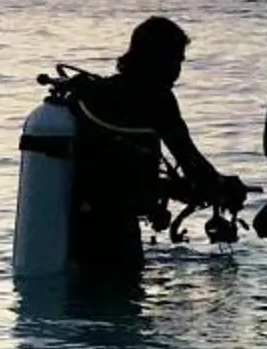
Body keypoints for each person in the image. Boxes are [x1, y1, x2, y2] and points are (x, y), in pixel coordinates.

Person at [63, 17, 247, 281]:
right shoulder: (156, 99)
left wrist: (182, 188)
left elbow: (117, 173)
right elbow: (190, 161)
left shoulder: (99, 94)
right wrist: (223, 186)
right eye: (175, 61)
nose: (177, 72)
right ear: (156, 60)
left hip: (76, 222)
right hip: (116, 230)